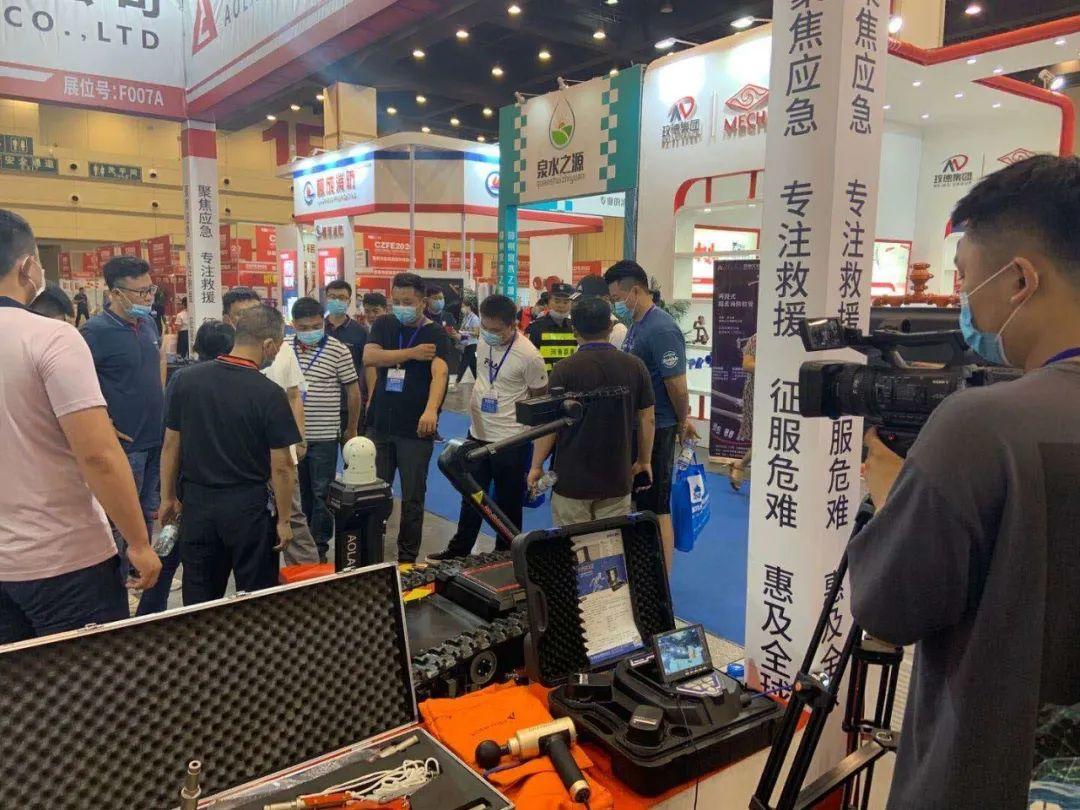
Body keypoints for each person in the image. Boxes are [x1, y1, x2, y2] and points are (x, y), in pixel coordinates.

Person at [850, 155, 1080, 810]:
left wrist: (892, 490)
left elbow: (888, 607)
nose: (963, 304)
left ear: (1020, 280)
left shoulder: (983, 426)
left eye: (967, 281)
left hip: (984, 774)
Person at [0, 209, 160, 642]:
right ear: (27, 266)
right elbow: (98, 455)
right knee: (89, 681)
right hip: (64, 561)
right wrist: (139, 543)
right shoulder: (51, 337)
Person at [160, 305, 300, 605]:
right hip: (248, 508)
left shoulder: (185, 380)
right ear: (268, 345)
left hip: (196, 504)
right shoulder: (269, 393)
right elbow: (283, 467)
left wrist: (167, 497)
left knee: (200, 598)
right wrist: (285, 520)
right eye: (277, 348)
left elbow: (171, 445)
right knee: (255, 597)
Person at [429, 294, 548, 560]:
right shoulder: (483, 341)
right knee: (471, 495)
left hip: (510, 439)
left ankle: (506, 552)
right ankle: (460, 549)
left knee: (508, 501)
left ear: (512, 325)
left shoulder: (529, 355)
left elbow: (539, 396)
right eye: (485, 327)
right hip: (477, 433)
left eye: (496, 330)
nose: (489, 333)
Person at [528, 296, 655, 526]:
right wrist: (644, 459)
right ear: (610, 326)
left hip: (571, 479)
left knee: (572, 542)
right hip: (617, 477)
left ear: (574, 330)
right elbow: (648, 418)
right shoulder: (635, 366)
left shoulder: (564, 369)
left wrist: (537, 465)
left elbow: (550, 426)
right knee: (610, 543)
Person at [605, 260, 697, 571]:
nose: (616, 304)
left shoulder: (662, 329)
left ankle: (662, 580)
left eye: (618, 298)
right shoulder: (638, 324)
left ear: (635, 291)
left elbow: (677, 385)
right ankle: (642, 569)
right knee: (639, 502)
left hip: (659, 427)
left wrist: (682, 421)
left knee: (656, 506)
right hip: (637, 427)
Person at [140, 318, 236, 615]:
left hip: (185, 479)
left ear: (196, 347)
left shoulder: (182, 379)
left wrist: (166, 494)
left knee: (169, 549)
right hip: (224, 485)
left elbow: (170, 437)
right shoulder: (241, 377)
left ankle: (149, 613)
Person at [81, 256, 166, 586]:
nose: (148, 298)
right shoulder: (94, 332)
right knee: (118, 517)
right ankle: (114, 582)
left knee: (146, 510)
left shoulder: (148, 324)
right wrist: (102, 421)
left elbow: (157, 362)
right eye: (140, 292)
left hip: (154, 437)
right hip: (125, 443)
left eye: (150, 290)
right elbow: (79, 383)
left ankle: (138, 572)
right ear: (115, 293)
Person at [223, 288, 319, 566]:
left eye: (256, 311)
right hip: (239, 457)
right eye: (242, 314)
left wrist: (299, 438)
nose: (251, 318)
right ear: (228, 318)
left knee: (293, 516)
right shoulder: (223, 349)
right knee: (249, 521)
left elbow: (294, 395)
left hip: (280, 448)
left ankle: (309, 581)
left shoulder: (282, 348)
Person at [363, 272, 451, 563]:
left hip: (415, 428)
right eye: (397, 301)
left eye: (408, 302)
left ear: (422, 302)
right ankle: (372, 553)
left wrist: (431, 410)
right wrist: (412, 353)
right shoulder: (384, 324)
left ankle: (407, 558)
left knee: (413, 496)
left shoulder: (435, 333)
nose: (401, 307)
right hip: (380, 424)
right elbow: (370, 357)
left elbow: (440, 373)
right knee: (376, 493)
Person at [292, 296, 361, 562]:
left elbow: (353, 392)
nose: (310, 332)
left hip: (324, 436)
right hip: (291, 438)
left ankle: (318, 547)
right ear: (293, 324)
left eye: (315, 326)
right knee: (297, 494)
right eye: (304, 327)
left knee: (322, 493)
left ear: (322, 322)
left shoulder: (338, 350)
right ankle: (300, 544)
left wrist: (351, 428)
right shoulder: (284, 349)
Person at [324, 279, 368, 440]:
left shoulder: (360, 332)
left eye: (342, 297)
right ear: (326, 299)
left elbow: (367, 367)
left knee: (353, 452)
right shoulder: (317, 330)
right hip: (322, 405)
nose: (336, 301)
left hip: (351, 404)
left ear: (349, 301)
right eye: (332, 297)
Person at [526, 282, 577, 372]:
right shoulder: (536, 326)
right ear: (549, 302)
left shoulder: (575, 327)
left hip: (570, 378)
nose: (561, 306)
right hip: (545, 378)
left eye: (566, 302)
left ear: (571, 304)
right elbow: (529, 357)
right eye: (557, 301)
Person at [730, 333, 755, 491]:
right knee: (762, 438)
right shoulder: (756, 339)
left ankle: (740, 465)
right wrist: (772, 365)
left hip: (781, 396)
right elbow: (747, 364)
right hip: (756, 394)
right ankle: (741, 465)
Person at [575, 274, 626, 348]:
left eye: (587, 301)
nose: (582, 305)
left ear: (605, 299)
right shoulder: (584, 327)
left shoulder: (618, 332)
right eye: (579, 301)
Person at [455, 298, 481, 386]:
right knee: (473, 364)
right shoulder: (466, 318)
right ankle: (479, 382)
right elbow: (462, 329)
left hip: (472, 344)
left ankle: (456, 382)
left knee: (464, 362)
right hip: (466, 343)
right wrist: (460, 332)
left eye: (463, 307)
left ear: (468, 307)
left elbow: (476, 333)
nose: (462, 309)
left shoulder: (474, 318)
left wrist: (466, 332)